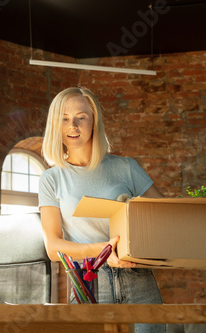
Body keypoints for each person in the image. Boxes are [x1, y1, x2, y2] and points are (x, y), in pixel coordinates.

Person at [38, 86, 166, 333]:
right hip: (90, 284)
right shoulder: (51, 179)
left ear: (94, 121)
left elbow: (165, 219)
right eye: (64, 119)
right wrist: (102, 251)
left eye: (81, 117)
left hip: (138, 280)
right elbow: (53, 247)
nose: (72, 126)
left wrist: (197, 253)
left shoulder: (127, 168)